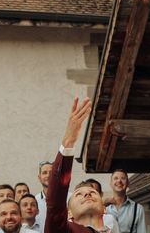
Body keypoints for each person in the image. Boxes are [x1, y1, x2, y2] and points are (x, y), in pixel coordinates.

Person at [45, 97, 109, 233]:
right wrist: (68, 142)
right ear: (68, 214)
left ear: (104, 208)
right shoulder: (63, 229)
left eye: (92, 192)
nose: (87, 195)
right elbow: (55, 204)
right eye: (79, 194)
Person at [34, 161, 52, 231]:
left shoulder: (69, 198)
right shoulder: (34, 201)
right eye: (44, 173)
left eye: (51, 172)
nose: (48, 175)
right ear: (39, 177)